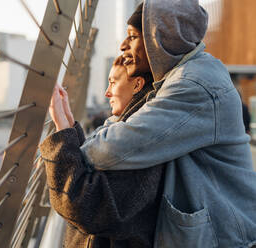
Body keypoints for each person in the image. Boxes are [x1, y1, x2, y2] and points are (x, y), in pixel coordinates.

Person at [43, 0, 256, 247]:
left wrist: (69, 149)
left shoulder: (193, 85)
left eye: (133, 37)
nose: (123, 45)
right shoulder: (183, 78)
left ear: (160, 39)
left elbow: (122, 145)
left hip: (228, 238)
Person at [40, 55, 164, 247]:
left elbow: (83, 206)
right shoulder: (129, 129)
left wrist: (63, 130)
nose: (107, 93)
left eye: (113, 82)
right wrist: (70, 126)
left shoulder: (141, 141)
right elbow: (100, 177)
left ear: (137, 84)